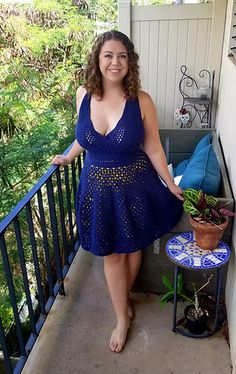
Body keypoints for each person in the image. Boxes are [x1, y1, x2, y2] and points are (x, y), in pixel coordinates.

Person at [52, 30, 183, 353]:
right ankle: (121, 316)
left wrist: (169, 183)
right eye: (109, 55)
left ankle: (124, 301)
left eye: (122, 56)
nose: (115, 62)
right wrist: (68, 156)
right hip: (97, 191)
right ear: (97, 59)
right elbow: (86, 137)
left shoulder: (142, 100)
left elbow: (153, 148)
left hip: (135, 186)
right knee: (112, 253)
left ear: (130, 61)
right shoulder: (83, 95)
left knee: (132, 245)